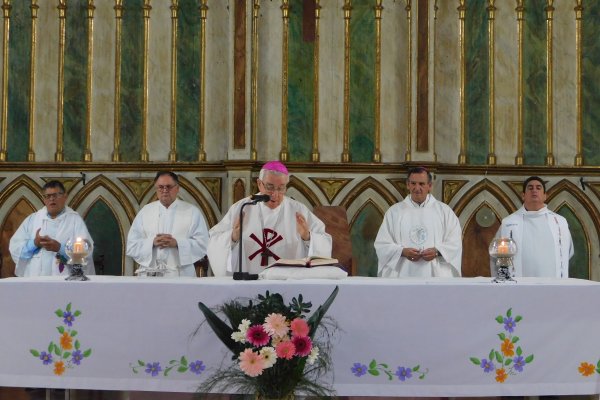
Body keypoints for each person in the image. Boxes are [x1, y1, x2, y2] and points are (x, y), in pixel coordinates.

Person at [207, 161, 332, 276]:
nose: (275, 194)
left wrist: (308, 236)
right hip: (248, 282)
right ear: (259, 184)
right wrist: (233, 237)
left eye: (281, 188)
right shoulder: (243, 207)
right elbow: (214, 241)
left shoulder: (298, 210)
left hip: (287, 283)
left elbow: (324, 242)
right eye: (270, 187)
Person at [374, 166, 462, 277]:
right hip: (402, 274)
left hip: (436, 275)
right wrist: (402, 252)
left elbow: (455, 243)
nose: (417, 188)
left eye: (421, 184)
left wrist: (437, 251)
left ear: (429, 186)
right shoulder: (394, 212)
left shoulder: (444, 211)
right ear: (407, 185)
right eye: (413, 183)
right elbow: (382, 244)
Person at [126, 171, 209, 277]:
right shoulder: (145, 212)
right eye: (160, 187)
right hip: (150, 275)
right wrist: (152, 242)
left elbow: (203, 245)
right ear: (156, 189)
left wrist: (178, 243)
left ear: (177, 188)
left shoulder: (192, 212)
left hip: (180, 275)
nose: (164, 190)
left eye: (169, 187)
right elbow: (132, 245)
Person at [9, 180, 95, 277]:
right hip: (35, 280)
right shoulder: (32, 220)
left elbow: (86, 251)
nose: (51, 199)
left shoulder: (75, 220)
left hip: (64, 281)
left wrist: (60, 248)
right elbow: (15, 249)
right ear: (44, 199)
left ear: (65, 196)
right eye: (48, 196)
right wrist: (34, 243)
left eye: (55, 195)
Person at [493, 176, 573, 278]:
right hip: (519, 287)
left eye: (538, 188)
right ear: (523, 195)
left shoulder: (560, 222)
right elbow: (497, 256)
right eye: (530, 188)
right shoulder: (509, 223)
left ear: (545, 196)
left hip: (553, 285)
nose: (534, 190)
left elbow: (568, 252)